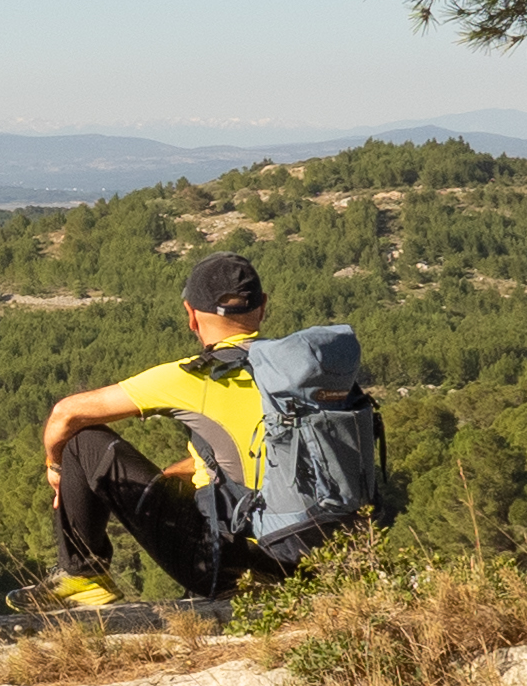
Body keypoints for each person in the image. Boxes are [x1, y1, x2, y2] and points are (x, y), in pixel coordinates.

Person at [35, 250, 344, 607]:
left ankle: (83, 575)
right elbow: (260, 459)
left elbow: (66, 415)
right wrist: (172, 478)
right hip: (328, 559)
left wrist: (55, 467)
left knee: (82, 442)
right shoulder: (307, 372)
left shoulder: (192, 377)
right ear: (262, 306)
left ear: (191, 315)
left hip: (230, 568)